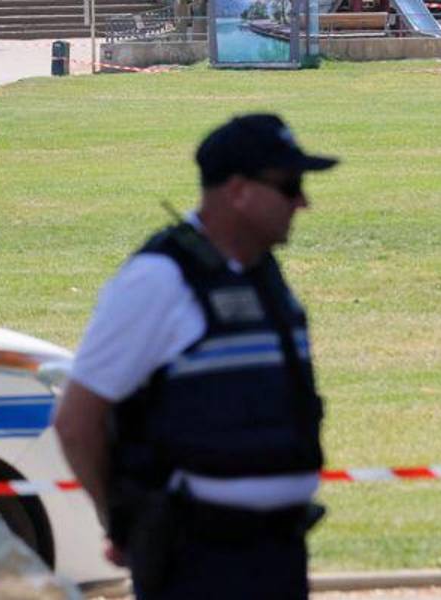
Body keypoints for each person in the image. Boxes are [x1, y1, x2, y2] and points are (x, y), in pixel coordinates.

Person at [53, 114, 338, 600]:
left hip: (277, 554)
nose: (303, 202)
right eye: (289, 186)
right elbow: (77, 422)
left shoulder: (260, 273)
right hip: (198, 563)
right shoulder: (159, 280)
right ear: (238, 191)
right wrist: (124, 525)